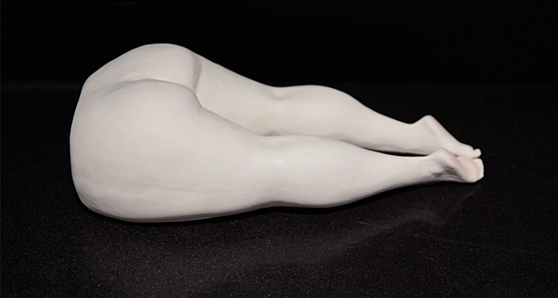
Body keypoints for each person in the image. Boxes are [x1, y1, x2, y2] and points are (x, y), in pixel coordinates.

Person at [70, 44, 483, 222]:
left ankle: (428, 166)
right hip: (150, 60)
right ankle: (415, 136)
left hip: (118, 129)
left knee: (273, 166)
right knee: (276, 105)